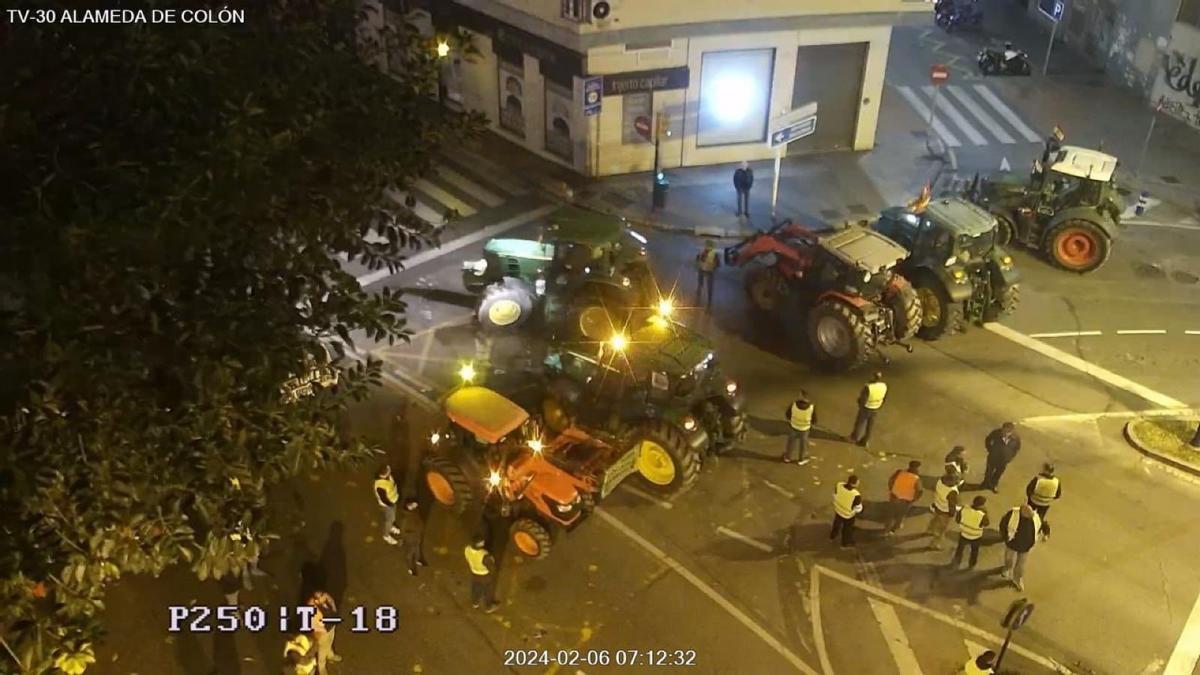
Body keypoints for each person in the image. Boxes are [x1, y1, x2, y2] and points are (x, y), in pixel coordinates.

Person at [998, 504, 1049, 591]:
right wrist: (1005, 537)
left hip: (1026, 546)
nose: (1031, 517)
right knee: (1008, 558)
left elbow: (1044, 525)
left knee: (1021, 565)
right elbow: (1003, 525)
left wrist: (1046, 534)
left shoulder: (1035, 517)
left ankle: (1017, 579)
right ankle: (1007, 568)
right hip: (1012, 543)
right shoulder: (1012, 514)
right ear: (1021, 513)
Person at [949, 495, 990, 570]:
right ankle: (972, 564)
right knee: (974, 551)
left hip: (964, 534)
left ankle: (956, 562)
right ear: (982, 505)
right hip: (975, 536)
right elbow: (986, 523)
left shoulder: (964, 509)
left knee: (960, 549)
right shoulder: (982, 515)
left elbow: (957, 520)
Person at [884, 460, 923, 534]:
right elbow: (920, 491)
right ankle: (895, 527)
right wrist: (915, 499)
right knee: (901, 514)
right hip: (906, 501)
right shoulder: (916, 479)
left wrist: (891, 490)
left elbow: (891, 481)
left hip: (894, 497)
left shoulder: (899, 472)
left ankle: (887, 529)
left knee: (891, 514)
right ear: (916, 468)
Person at [926, 467, 961, 550]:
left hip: (937, 504)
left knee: (935, 518)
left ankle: (930, 530)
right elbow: (952, 504)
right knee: (942, 528)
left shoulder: (940, 481)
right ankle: (934, 544)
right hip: (945, 510)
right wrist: (952, 513)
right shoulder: (952, 491)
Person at [850, 372, 887, 448]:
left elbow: (863, 400)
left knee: (860, 423)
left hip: (867, 407)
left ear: (873, 377)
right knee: (870, 425)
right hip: (876, 407)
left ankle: (854, 438)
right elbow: (884, 398)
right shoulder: (883, 386)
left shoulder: (868, 387)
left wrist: (860, 405)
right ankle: (865, 441)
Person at [307, 590, 341, 674]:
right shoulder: (313, 610)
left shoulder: (325, 598)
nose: (324, 596)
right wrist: (322, 634)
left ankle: (330, 655)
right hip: (323, 632)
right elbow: (314, 626)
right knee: (322, 652)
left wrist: (334, 610)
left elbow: (331, 601)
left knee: (330, 642)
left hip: (331, 626)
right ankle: (321, 669)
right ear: (316, 600)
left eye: (323, 594)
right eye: (322, 596)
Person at [981, 422, 1020, 492]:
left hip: (1004, 460)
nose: (1006, 433)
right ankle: (985, 483)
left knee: (998, 473)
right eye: (1005, 431)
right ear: (1002, 429)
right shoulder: (996, 433)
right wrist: (990, 449)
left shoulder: (1015, 438)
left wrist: (1011, 457)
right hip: (993, 457)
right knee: (989, 472)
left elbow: (1017, 448)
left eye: (1008, 432)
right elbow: (988, 440)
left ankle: (994, 485)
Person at [465, 536, 499, 613]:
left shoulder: (467, 549)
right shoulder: (484, 555)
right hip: (485, 576)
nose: (483, 543)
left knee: (476, 588)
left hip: (474, 573)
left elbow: (468, 559)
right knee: (488, 591)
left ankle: (475, 603)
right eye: (482, 542)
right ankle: (488, 607)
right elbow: (491, 567)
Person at [782, 391, 816, 466]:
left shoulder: (793, 405)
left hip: (794, 427)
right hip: (805, 429)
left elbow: (788, 415)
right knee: (803, 444)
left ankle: (787, 457)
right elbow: (814, 420)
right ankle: (802, 459)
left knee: (791, 443)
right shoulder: (811, 407)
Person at [830, 474, 864, 548]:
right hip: (848, 514)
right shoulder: (856, 494)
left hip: (838, 509)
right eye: (857, 482)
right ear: (854, 484)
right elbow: (858, 508)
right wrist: (859, 510)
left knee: (837, 523)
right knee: (847, 529)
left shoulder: (839, 485)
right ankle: (845, 543)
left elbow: (835, 494)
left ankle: (832, 536)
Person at [400, 496, 429, 576]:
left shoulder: (415, 512)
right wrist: (405, 538)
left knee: (417, 548)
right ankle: (410, 567)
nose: (414, 506)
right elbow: (403, 531)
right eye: (412, 505)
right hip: (411, 538)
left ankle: (418, 559)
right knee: (410, 553)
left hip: (417, 535)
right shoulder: (405, 519)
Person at [374, 464, 402, 545]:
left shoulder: (388, 477)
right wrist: (390, 505)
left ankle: (391, 526)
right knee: (389, 520)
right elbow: (383, 499)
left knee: (392, 518)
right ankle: (386, 535)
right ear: (383, 474)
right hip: (387, 505)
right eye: (388, 470)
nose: (390, 471)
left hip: (393, 501)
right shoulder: (380, 486)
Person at [695, 240, 720, 309]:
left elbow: (697, 260)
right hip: (706, 271)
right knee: (705, 285)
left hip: (706, 271)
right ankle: (706, 299)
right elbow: (718, 264)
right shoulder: (712, 254)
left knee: (704, 285)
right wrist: (714, 266)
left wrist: (714, 266)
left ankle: (704, 298)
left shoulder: (703, 252)